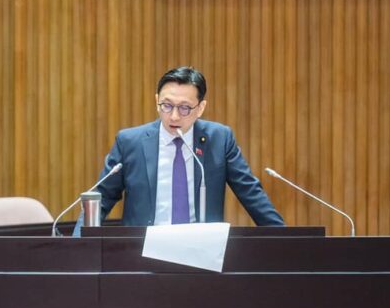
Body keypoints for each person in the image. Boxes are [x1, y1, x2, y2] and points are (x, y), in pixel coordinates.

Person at [94, 66, 283, 226]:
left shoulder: (219, 139)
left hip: (201, 251)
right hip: (142, 250)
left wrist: (286, 242)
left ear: (200, 108)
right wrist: (81, 242)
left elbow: (251, 194)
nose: (174, 116)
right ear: (157, 101)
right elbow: (101, 198)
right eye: (167, 105)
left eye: (184, 108)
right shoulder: (130, 142)